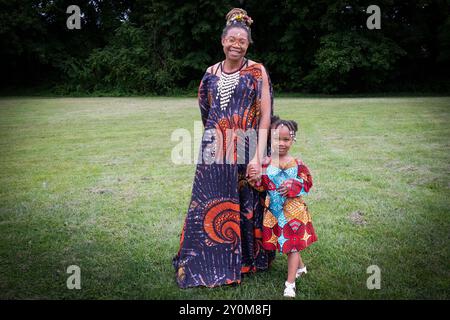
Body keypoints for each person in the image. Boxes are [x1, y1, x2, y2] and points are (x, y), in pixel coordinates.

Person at [172, 8, 275, 288]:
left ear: (248, 44)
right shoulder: (209, 73)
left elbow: (265, 114)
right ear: (222, 41)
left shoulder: (257, 71)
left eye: (242, 40)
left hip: (245, 148)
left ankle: (244, 261)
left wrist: (256, 154)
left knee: (244, 202)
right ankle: (205, 260)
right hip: (214, 150)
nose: (237, 44)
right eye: (232, 39)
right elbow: (206, 111)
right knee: (209, 204)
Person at [250, 115, 318, 298]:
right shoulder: (265, 163)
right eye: (277, 139)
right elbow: (262, 186)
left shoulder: (298, 164)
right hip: (274, 211)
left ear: (292, 140)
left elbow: (307, 183)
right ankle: (301, 268)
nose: (281, 143)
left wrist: (294, 185)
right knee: (287, 243)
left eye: (286, 139)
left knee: (293, 245)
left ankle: (290, 284)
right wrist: (254, 179)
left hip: (293, 212)